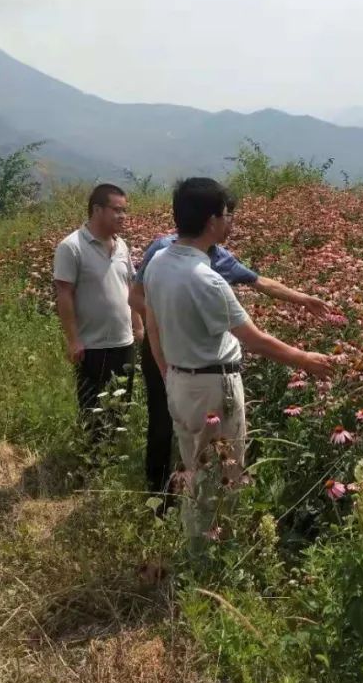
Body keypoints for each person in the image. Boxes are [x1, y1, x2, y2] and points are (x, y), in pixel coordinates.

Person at [142, 177, 333, 545]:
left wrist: (168, 375)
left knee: (194, 472)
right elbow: (254, 340)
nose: (231, 222)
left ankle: (193, 546)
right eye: (227, 215)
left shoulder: (158, 262)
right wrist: (304, 359)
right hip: (214, 389)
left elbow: (153, 324)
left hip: (180, 383)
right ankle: (211, 560)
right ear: (211, 221)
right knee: (221, 478)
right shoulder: (208, 281)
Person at [53, 184, 143, 442]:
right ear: (97, 209)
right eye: (117, 210)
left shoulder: (122, 245)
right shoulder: (71, 247)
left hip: (123, 340)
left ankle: (113, 459)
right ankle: (92, 463)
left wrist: (137, 326)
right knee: (94, 410)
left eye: (125, 210)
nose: (123, 216)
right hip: (91, 345)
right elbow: (64, 295)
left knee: (121, 407)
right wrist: (73, 340)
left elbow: (129, 288)